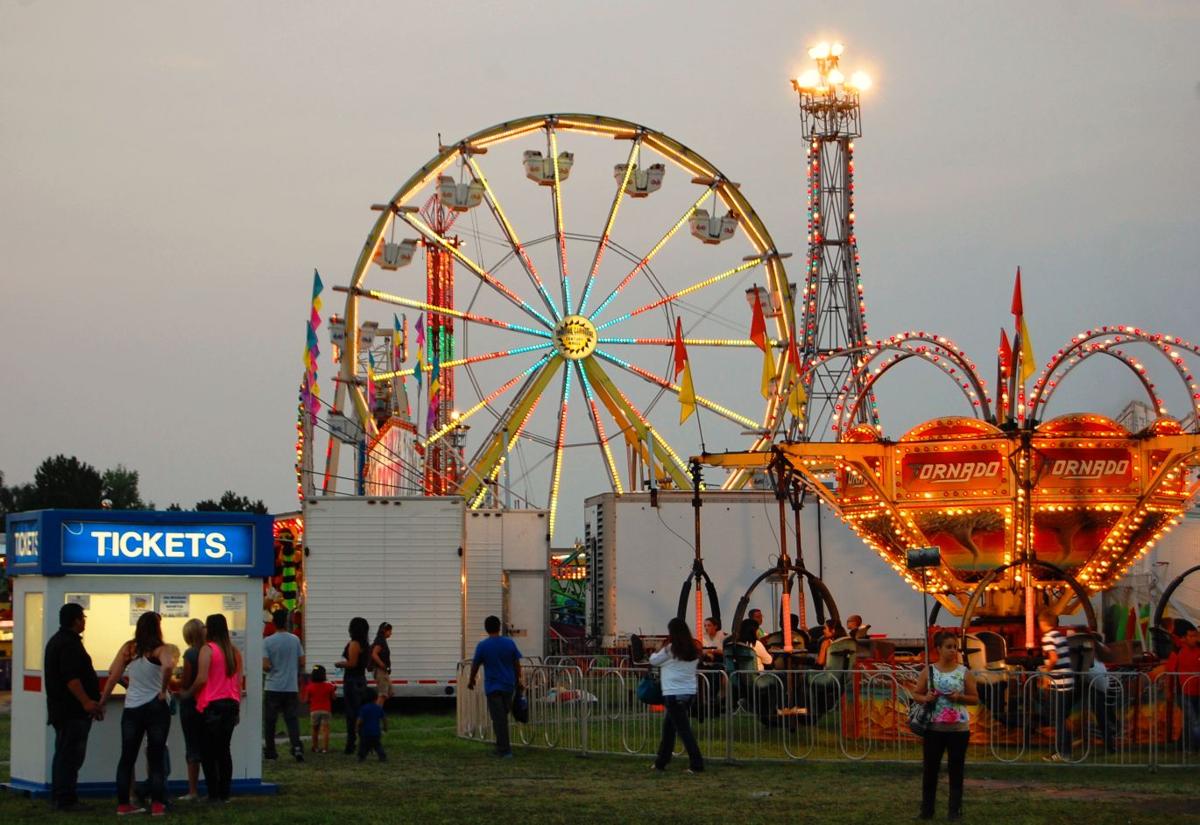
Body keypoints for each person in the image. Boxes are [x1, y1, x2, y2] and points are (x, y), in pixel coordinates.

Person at [99, 611, 175, 816]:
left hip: (132, 708)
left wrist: (103, 701)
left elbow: (112, 674)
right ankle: (158, 804)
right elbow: (168, 665)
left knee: (127, 756)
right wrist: (163, 688)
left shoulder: (129, 649)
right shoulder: (161, 649)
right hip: (156, 707)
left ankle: (124, 804)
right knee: (156, 755)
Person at [912, 631, 977, 821]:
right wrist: (926, 698)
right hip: (934, 730)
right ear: (938, 649)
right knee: (930, 771)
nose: (952, 651)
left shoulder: (964, 672)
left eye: (955, 647)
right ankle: (927, 810)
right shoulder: (929, 671)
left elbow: (975, 698)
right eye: (948, 647)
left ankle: (954, 810)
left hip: (959, 730)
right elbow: (916, 693)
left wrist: (960, 697)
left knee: (956, 771)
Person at [44, 602, 103, 812]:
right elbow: (72, 679)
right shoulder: (69, 645)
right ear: (76, 619)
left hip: (63, 709)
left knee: (63, 753)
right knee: (70, 755)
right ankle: (66, 798)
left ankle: (61, 796)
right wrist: (86, 701)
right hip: (72, 711)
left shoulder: (57, 641)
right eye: (83, 617)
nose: (84, 621)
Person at [183, 613, 243, 803]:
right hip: (231, 705)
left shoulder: (207, 650)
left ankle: (213, 793)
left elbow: (201, 679)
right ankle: (225, 793)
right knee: (224, 751)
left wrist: (188, 692)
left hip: (210, 706)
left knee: (208, 752)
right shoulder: (234, 651)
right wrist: (238, 708)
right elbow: (238, 683)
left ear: (210, 629)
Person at [649, 617, 704, 774]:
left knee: (683, 731)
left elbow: (654, 661)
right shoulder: (694, 649)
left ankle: (697, 763)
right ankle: (661, 761)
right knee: (669, 728)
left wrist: (658, 649)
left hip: (672, 693)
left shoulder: (670, 649)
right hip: (689, 692)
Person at [467, 615, 523, 758]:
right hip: (508, 686)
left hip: (493, 687)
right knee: (502, 717)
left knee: (499, 719)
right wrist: (519, 679)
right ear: (499, 627)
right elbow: (517, 664)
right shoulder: (509, 643)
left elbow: (475, 665)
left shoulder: (483, 646)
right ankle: (501, 746)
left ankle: (504, 750)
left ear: (486, 628)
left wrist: (471, 680)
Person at [262, 608, 305, 762]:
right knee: (292, 720)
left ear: (273, 623)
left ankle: (271, 751)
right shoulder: (295, 640)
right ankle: (297, 747)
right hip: (291, 686)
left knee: (270, 721)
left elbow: (266, 666)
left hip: (273, 686)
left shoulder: (267, 641)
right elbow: (302, 661)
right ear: (288, 622)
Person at [1038, 609, 1074, 762]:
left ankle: (1061, 752)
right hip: (1068, 681)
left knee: (1058, 718)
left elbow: (1053, 657)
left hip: (1058, 683)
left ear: (1043, 623)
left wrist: (1046, 673)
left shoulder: (1048, 637)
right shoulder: (1060, 636)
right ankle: (1066, 749)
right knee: (1062, 717)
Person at [176, 618, 206, 802]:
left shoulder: (190, 654)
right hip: (208, 703)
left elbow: (186, 681)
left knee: (192, 747)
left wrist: (178, 683)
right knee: (208, 746)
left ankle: (193, 790)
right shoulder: (209, 651)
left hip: (191, 705)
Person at [336, 617, 371, 756]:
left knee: (351, 714)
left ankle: (351, 744)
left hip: (352, 680)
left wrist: (339, 664)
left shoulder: (354, 644)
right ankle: (365, 742)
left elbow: (352, 663)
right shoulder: (366, 645)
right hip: (361, 680)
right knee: (361, 712)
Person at [1165, 626, 1200, 753]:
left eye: (1196, 636)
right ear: (1184, 638)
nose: (1194, 639)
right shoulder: (1177, 652)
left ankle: (1183, 746)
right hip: (1184, 693)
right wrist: (1168, 691)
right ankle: (1192, 747)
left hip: (1197, 692)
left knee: (1189, 721)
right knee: (1193, 721)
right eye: (1191, 636)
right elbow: (1170, 673)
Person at [302, 665, 335, 753]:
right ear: (324, 675)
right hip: (326, 710)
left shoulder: (309, 687)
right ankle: (325, 748)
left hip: (314, 710)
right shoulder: (329, 686)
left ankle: (315, 747)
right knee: (325, 729)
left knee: (315, 729)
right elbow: (334, 698)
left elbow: (305, 700)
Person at [356, 688, 387, 762]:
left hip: (365, 732)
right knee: (377, 745)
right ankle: (382, 756)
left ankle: (361, 757)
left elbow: (360, 719)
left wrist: (356, 727)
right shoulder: (378, 708)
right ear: (375, 698)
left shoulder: (364, 708)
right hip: (376, 731)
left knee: (363, 745)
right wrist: (385, 727)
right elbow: (384, 718)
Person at [371, 622, 393, 708]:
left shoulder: (382, 640)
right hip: (380, 671)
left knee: (390, 692)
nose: (391, 633)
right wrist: (383, 665)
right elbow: (374, 654)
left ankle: (373, 708)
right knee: (383, 694)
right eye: (390, 631)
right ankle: (375, 713)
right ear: (384, 630)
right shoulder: (380, 640)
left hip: (383, 671)